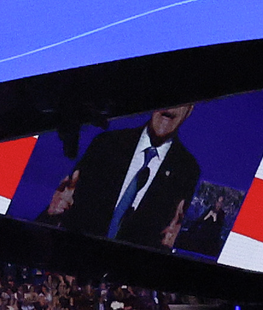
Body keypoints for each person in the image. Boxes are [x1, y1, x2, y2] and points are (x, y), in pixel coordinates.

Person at [49, 106, 202, 250]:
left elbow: (168, 235)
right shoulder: (107, 144)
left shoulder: (187, 170)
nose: (171, 108)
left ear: (189, 110)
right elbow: (63, 203)